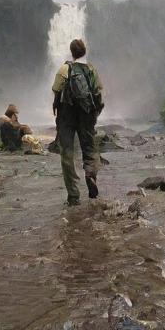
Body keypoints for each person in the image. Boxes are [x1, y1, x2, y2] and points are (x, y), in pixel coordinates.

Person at [52, 37, 104, 206]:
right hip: (86, 115)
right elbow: (98, 93)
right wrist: (94, 114)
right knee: (89, 150)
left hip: (67, 116)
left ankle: (73, 196)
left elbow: (56, 90)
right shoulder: (91, 70)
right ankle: (90, 174)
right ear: (84, 52)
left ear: (71, 52)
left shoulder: (64, 69)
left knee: (67, 154)